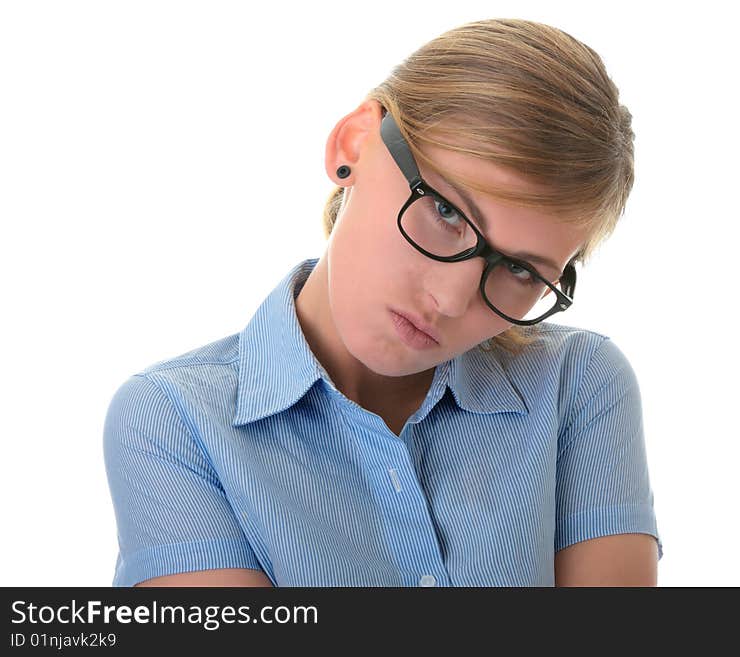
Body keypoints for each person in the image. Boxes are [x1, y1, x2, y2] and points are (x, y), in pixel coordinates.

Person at [103, 17, 663, 587]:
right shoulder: (172, 424)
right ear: (355, 143)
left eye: (519, 270)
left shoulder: (579, 387)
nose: (449, 298)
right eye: (445, 211)